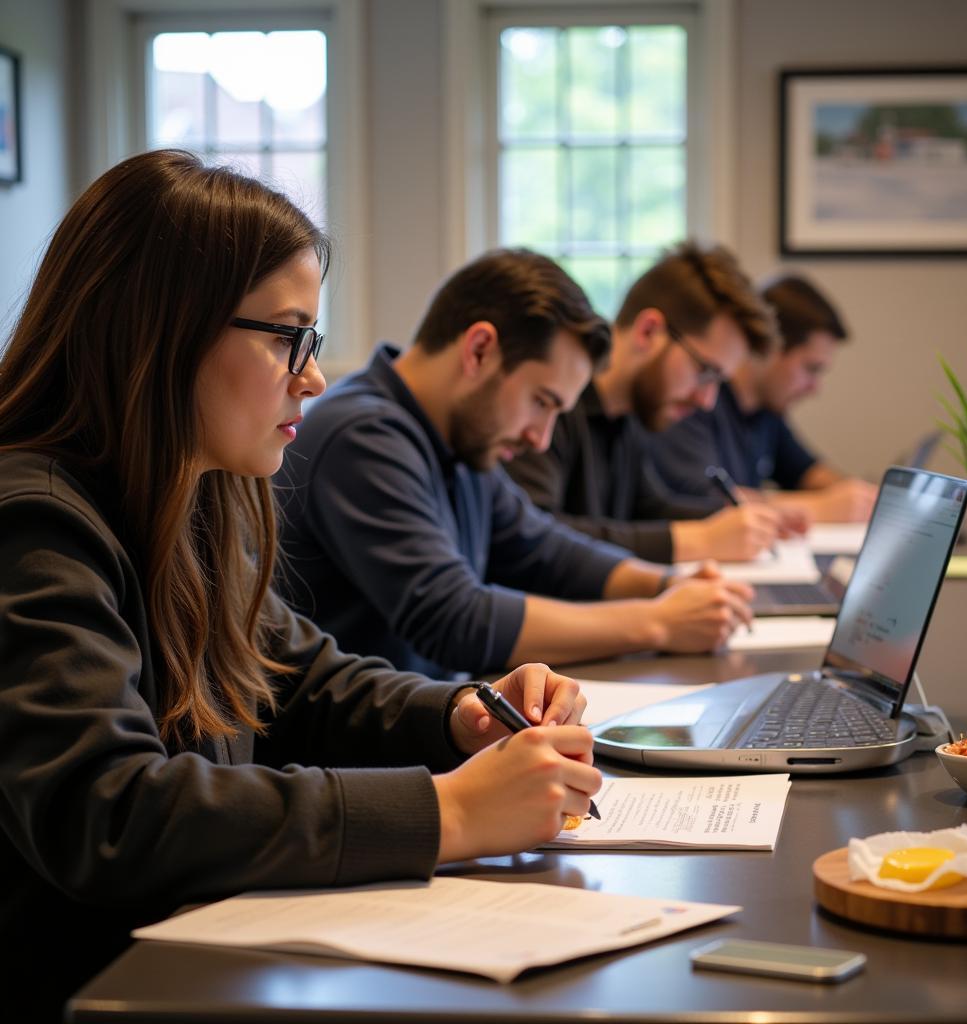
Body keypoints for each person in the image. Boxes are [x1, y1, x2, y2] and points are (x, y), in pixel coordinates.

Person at [0, 151, 601, 1021]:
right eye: (289, 336)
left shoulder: (191, 494)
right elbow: (111, 813)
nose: (313, 375)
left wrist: (459, 713)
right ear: (160, 330)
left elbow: (303, 680)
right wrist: (449, 813)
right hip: (97, 992)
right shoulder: (34, 523)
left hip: (198, 960)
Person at [275, 248, 754, 682]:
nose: (540, 438)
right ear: (479, 350)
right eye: (540, 402)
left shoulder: (454, 438)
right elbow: (454, 619)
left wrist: (668, 585)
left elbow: (543, 549)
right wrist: (660, 623)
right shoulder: (363, 435)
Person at [506, 241, 801, 564]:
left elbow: (648, 508)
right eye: (704, 372)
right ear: (648, 332)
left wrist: (740, 517)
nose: (707, 400)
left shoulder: (626, 417)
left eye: (719, 382)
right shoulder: (552, 405)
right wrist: (697, 541)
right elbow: (532, 534)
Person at [647, 273, 877, 522]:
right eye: (811, 369)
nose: (815, 388)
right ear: (770, 348)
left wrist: (859, 496)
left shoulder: (766, 413)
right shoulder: (695, 401)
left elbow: (808, 471)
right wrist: (819, 508)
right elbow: (706, 501)